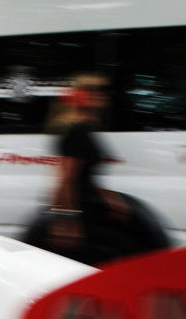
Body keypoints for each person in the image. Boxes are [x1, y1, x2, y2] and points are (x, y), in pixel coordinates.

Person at [38, 73, 132, 264]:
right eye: (95, 91)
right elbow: (66, 179)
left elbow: (85, 175)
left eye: (104, 91)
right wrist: (67, 221)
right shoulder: (77, 130)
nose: (103, 95)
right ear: (80, 96)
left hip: (86, 208)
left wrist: (110, 197)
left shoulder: (85, 128)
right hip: (80, 212)